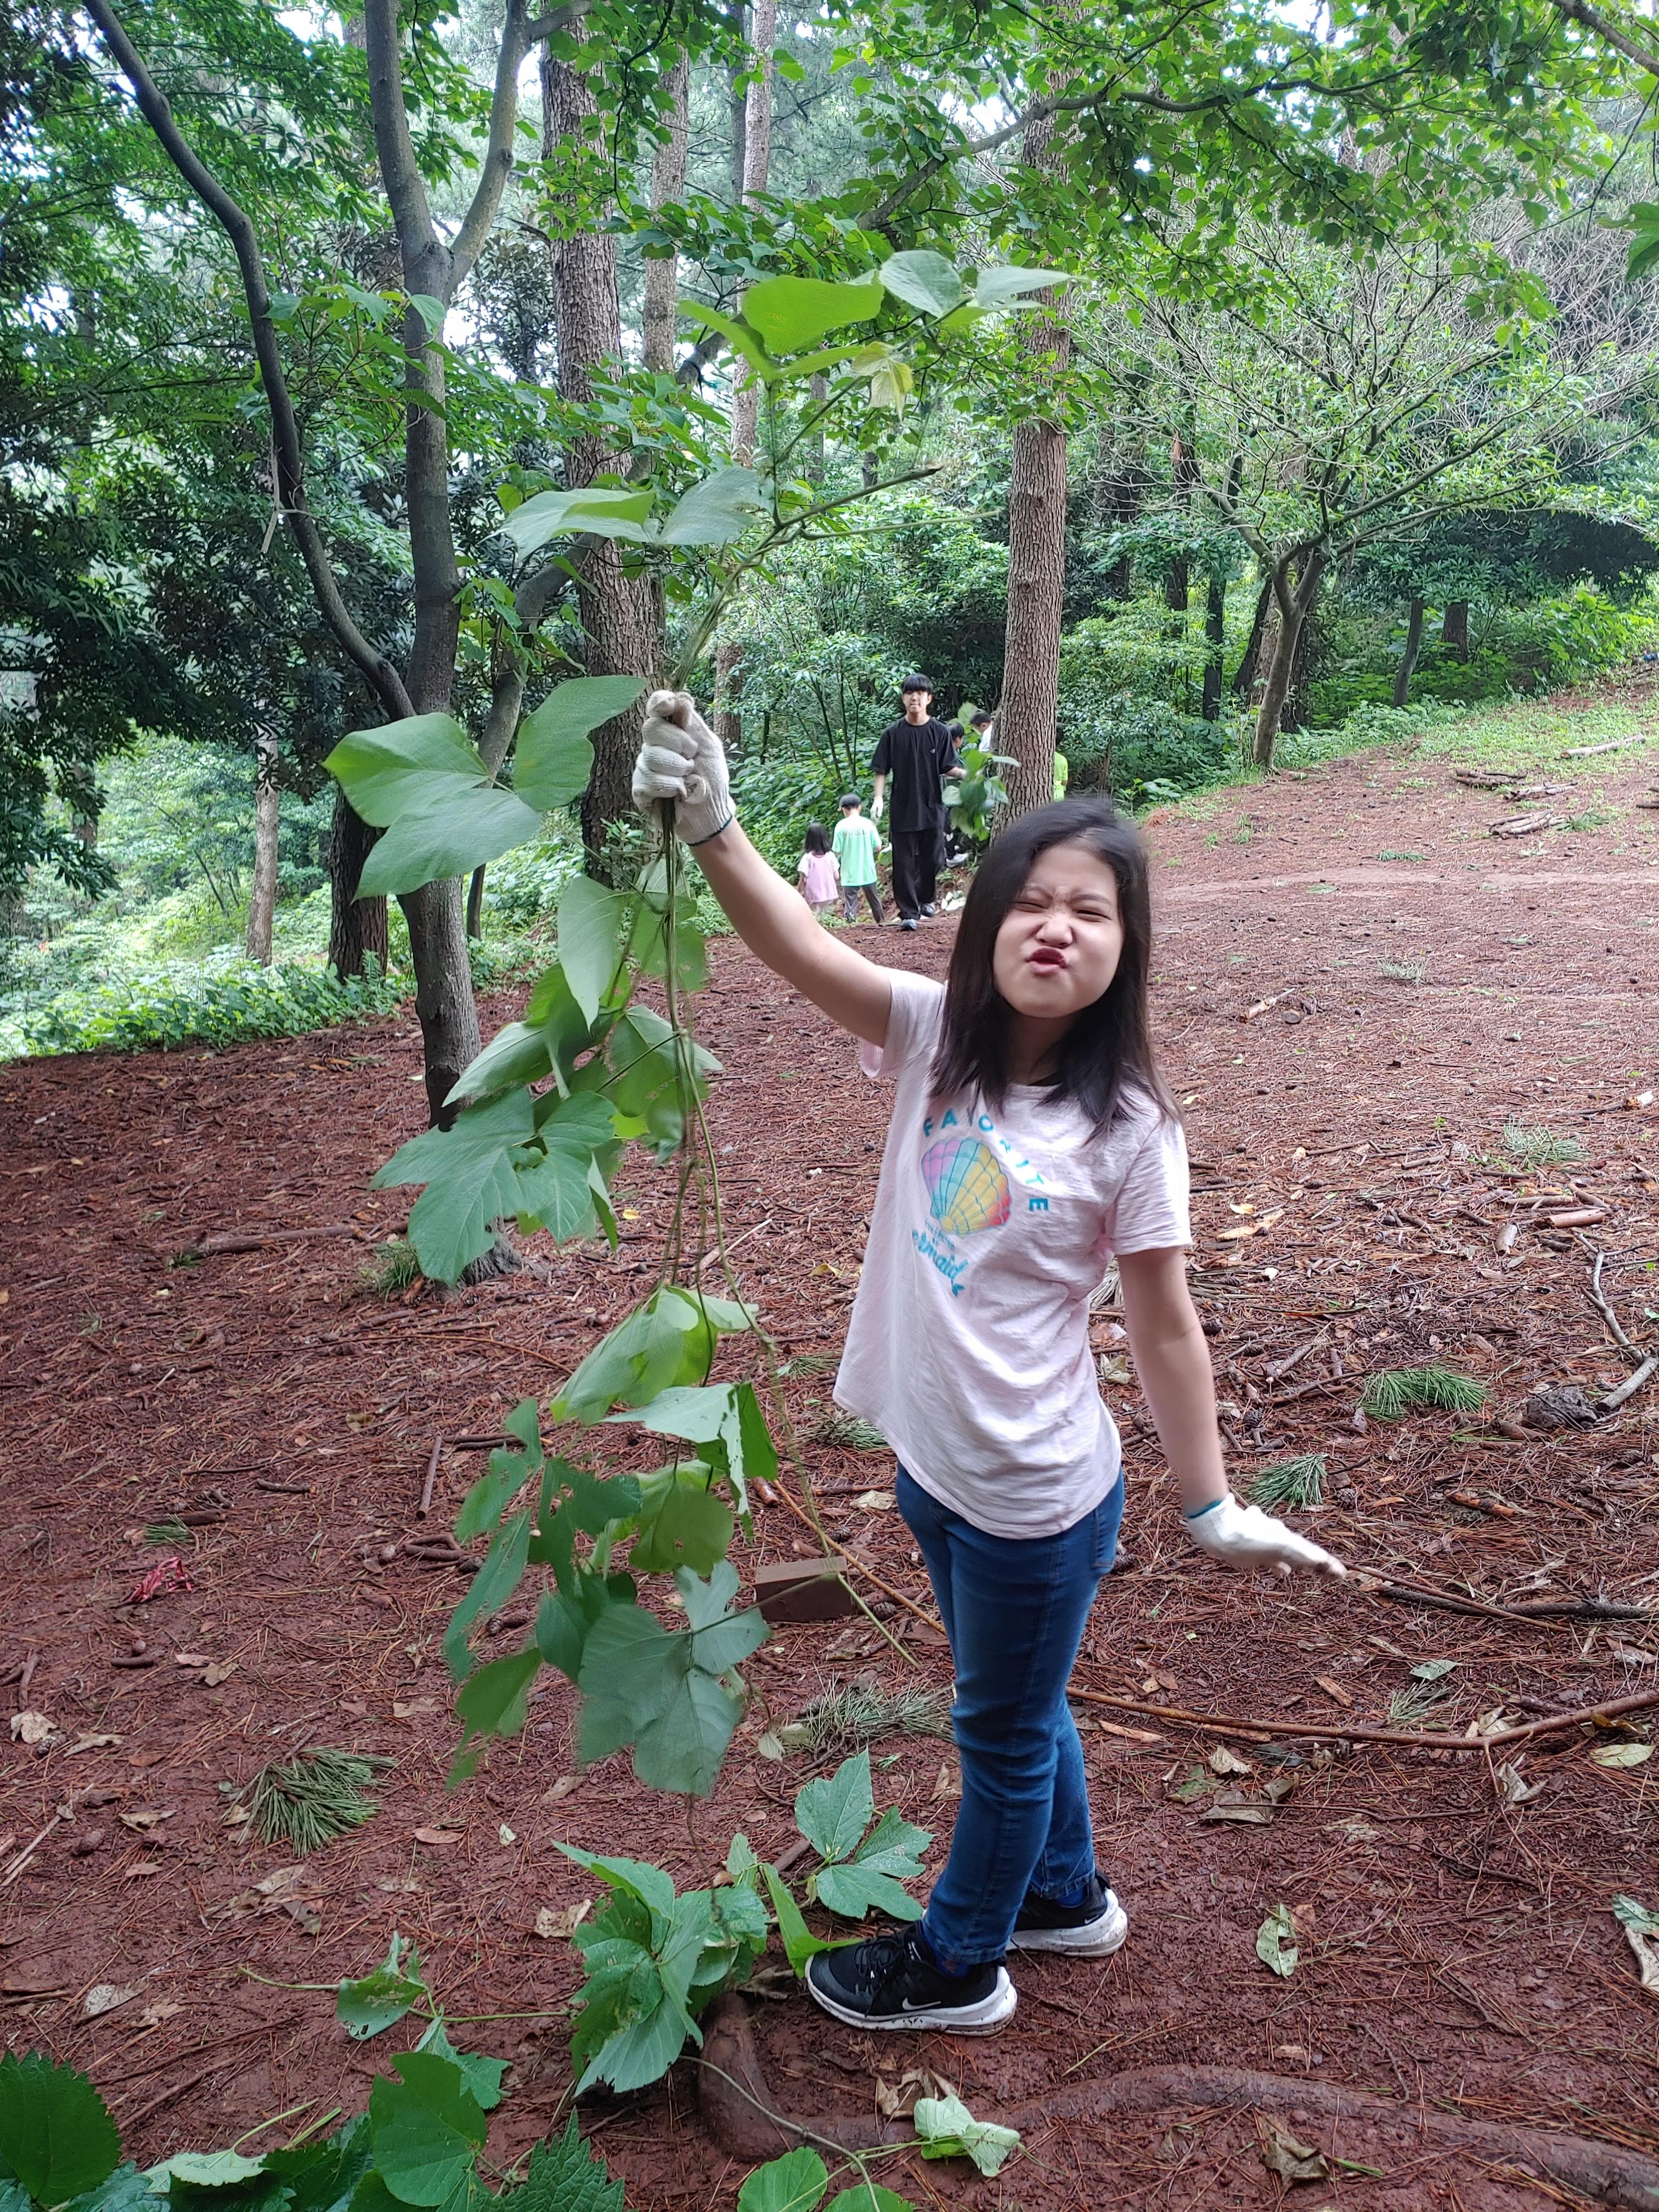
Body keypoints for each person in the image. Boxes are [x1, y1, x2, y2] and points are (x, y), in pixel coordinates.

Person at [631, 691, 1345, 2038]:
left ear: (1124, 949)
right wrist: (716, 824)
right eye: (1030, 899)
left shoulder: (1131, 1128)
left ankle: (961, 1961)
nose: (1054, 925)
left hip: (1033, 1496)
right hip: (936, 1466)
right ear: (986, 922)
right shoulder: (930, 1040)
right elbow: (795, 944)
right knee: (1020, 1703)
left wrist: (1209, 1502)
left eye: (1091, 910)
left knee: (1001, 1735)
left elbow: (1165, 1324)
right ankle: (1065, 1894)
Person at [871, 674, 954, 931]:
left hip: (933, 806)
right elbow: (881, 769)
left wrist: (970, 775)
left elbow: (948, 766)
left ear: (929, 698)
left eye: (920, 694)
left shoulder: (940, 732)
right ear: (903, 698)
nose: (914, 698)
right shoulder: (892, 734)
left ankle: (926, 898)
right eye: (909, 693)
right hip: (903, 807)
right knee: (904, 863)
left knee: (934, 857)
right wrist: (878, 798)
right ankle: (908, 912)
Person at [833, 793, 884, 926]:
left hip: (849, 872)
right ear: (859, 807)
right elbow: (878, 847)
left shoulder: (841, 826)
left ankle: (851, 925)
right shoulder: (868, 824)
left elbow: (837, 850)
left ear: (844, 809)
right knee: (874, 899)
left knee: (850, 901)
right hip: (867, 870)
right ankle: (881, 923)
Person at [796, 822, 840, 921]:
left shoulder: (807, 858)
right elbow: (837, 876)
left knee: (814, 919)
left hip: (813, 897)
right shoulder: (830, 856)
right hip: (829, 894)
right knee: (826, 918)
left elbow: (803, 880)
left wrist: (798, 893)